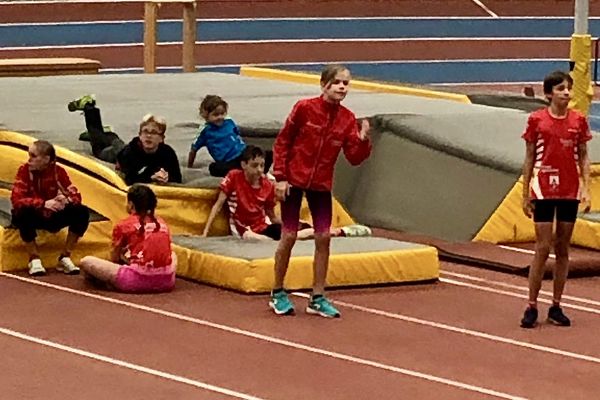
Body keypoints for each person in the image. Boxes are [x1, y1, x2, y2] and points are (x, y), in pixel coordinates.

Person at [269, 64, 372, 318]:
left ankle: (317, 297)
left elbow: (354, 158)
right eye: (337, 82)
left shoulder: (347, 118)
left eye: (346, 83)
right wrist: (280, 177)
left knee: (324, 237)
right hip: (294, 180)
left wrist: (362, 141)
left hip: (321, 185)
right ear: (324, 84)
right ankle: (277, 291)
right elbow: (283, 141)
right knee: (289, 236)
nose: (342, 87)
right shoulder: (304, 108)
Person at [520, 70, 592, 329]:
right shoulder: (537, 120)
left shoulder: (578, 121)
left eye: (568, 88)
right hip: (543, 190)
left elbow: (583, 155)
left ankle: (556, 305)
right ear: (549, 93)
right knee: (542, 247)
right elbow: (529, 157)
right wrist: (525, 193)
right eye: (561, 89)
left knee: (563, 249)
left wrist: (586, 188)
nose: (566, 93)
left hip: (569, 190)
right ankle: (531, 305)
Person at [202, 145, 372, 240]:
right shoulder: (234, 177)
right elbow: (218, 205)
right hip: (245, 230)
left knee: (291, 233)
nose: (259, 170)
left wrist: (293, 223)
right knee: (260, 239)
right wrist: (205, 233)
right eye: (254, 166)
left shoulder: (267, 185)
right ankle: (334, 231)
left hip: (263, 227)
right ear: (243, 165)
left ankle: (340, 231)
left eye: (262, 166)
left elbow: (272, 216)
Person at [11, 140, 90, 276]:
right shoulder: (24, 171)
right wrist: (43, 203)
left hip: (53, 215)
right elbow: (16, 199)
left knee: (81, 211)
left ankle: (65, 256)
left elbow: (75, 193)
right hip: (36, 214)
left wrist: (66, 200)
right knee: (22, 213)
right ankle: (34, 258)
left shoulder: (59, 172)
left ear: (46, 159)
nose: (29, 160)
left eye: (33, 156)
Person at [79, 184, 176, 293]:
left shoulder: (124, 225)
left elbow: (114, 258)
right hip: (166, 281)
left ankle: (105, 283)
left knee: (86, 261)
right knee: (173, 254)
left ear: (131, 205)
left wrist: (123, 259)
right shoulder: (162, 223)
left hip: (135, 280)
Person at [68, 95, 182, 185]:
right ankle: (89, 107)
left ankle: (108, 133)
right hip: (117, 153)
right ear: (139, 135)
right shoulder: (131, 151)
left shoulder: (168, 153)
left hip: (123, 147)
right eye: (145, 132)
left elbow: (177, 178)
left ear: (161, 138)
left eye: (153, 133)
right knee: (98, 147)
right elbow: (128, 180)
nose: (148, 136)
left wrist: (167, 178)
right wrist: (150, 178)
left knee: (114, 141)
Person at [188, 95, 272, 177]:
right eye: (215, 115)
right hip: (228, 161)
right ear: (206, 115)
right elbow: (193, 149)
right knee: (213, 168)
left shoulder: (229, 121)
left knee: (269, 154)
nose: (220, 117)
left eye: (222, 113)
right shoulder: (205, 131)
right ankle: (245, 171)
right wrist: (189, 166)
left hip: (243, 153)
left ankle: (259, 172)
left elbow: (237, 135)